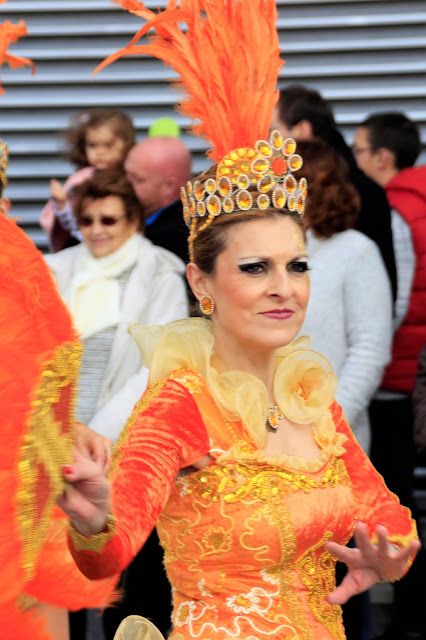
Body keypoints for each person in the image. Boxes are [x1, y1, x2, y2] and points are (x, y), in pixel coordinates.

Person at [59, 2, 419, 639]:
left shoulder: (312, 397)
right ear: (202, 284)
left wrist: (391, 554)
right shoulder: (179, 403)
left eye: (297, 266)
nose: (285, 288)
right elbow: (111, 551)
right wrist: (92, 522)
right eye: (255, 268)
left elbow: (385, 511)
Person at [353, 112, 426, 640]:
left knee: (391, 502)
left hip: (393, 379)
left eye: (359, 151)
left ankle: (408, 615)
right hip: (405, 375)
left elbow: (394, 305)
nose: (355, 161)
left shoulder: (395, 209)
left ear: (383, 157)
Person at [296, 140, 392, 455]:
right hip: (266, 437)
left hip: (334, 441)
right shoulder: (264, 251)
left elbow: (370, 350)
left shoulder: (356, 251)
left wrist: (330, 423)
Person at [271, 84, 398, 304]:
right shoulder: (362, 185)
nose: (266, 143)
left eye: (273, 131)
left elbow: (377, 295)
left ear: (302, 130)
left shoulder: (354, 189)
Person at [40, 109, 136, 252]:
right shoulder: (81, 180)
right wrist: (62, 203)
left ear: (126, 144)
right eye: (92, 145)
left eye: (108, 145)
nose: (100, 152)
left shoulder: (132, 175)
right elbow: (72, 226)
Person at [124, 136, 192, 262]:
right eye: (125, 174)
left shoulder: (170, 238)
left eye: (137, 179)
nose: (125, 184)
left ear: (169, 187)